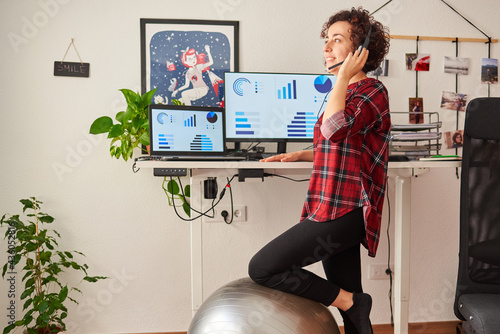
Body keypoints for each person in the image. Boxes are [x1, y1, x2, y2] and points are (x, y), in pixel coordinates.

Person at [248, 7, 391, 334]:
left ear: (361, 50)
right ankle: (353, 306)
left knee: (263, 268)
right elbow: (339, 145)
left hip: (347, 209)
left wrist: (341, 77)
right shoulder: (343, 93)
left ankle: (351, 301)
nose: (326, 48)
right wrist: (302, 155)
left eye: (336, 40)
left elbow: (335, 129)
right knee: (353, 319)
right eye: (326, 40)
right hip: (330, 203)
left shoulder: (372, 90)